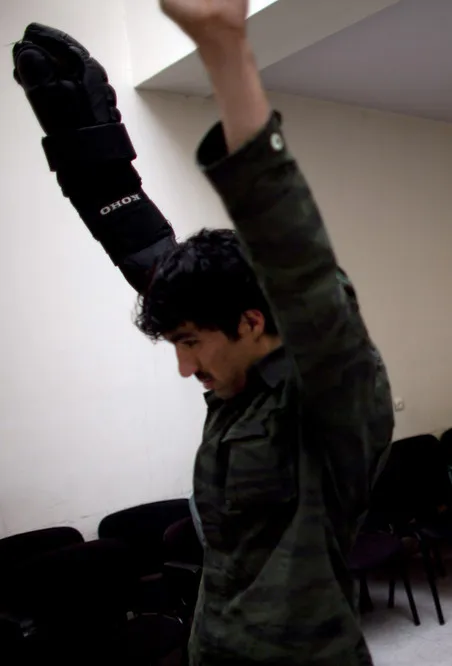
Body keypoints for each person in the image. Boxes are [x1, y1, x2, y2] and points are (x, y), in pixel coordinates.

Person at [12, 1, 393, 664]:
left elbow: (295, 258)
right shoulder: (234, 378)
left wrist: (224, 46)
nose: (185, 367)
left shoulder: (330, 401)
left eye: (190, 342)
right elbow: (144, 248)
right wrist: (87, 152)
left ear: (252, 321)